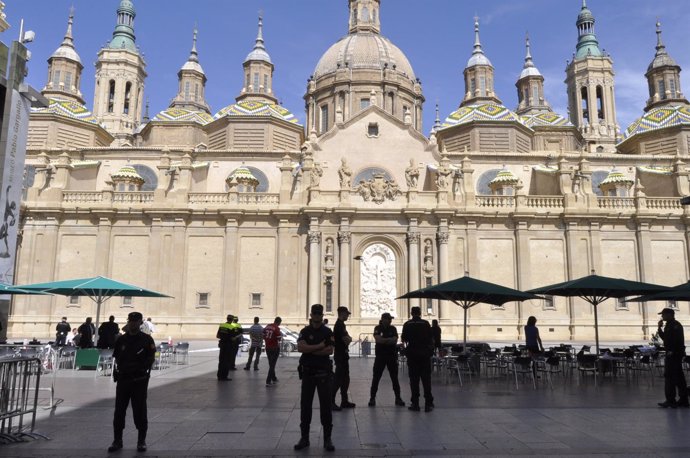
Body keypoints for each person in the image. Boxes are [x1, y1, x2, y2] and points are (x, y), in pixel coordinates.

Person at [108, 311, 156, 453]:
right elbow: (117, 357)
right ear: (128, 322)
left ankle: (141, 441)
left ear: (140, 323)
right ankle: (117, 440)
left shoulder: (147, 340)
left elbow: (151, 358)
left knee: (140, 411)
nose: (133, 323)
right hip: (123, 380)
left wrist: (139, 368)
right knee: (119, 411)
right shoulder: (122, 340)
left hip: (139, 380)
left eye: (136, 321)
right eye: (131, 321)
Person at [294, 304, 336, 452]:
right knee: (305, 407)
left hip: (323, 374)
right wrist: (319, 346)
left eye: (319, 313)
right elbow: (300, 348)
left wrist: (310, 350)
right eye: (315, 313)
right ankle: (304, 438)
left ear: (322, 315)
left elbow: (329, 350)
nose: (317, 316)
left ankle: (327, 438)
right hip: (308, 373)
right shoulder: (304, 331)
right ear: (311, 315)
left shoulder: (327, 331)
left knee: (325, 407)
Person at [368, 313, 405, 408]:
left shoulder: (393, 328)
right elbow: (378, 340)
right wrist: (389, 340)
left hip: (391, 356)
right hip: (380, 356)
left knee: (394, 378)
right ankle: (372, 398)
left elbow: (395, 340)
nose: (390, 320)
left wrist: (384, 340)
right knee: (376, 378)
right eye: (388, 319)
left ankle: (398, 398)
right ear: (383, 319)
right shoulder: (378, 328)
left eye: (390, 319)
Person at [401, 306, 434, 412]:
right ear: (420, 313)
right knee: (426, 380)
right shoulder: (425, 323)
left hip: (413, 354)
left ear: (411, 313)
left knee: (414, 380)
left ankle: (415, 403)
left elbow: (404, 339)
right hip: (424, 354)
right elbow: (430, 338)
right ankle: (428, 403)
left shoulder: (407, 324)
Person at [657, 308, 689, 408]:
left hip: (674, 355)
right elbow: (666, 339)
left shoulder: (675, 325)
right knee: (678, 377)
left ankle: (671, 400)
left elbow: (676, 341)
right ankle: (683, 400)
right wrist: (659, 328)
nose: (662, 316)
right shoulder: (669, 325)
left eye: (663, 314)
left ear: (669, 314)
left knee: (670, 377)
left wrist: (672, 352)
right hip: (674, 354)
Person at [332, 306, 355, 410]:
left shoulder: (342, 325)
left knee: (345, 379)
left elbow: (349, 338)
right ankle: (331, 401)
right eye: (347, 314)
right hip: (340, 355)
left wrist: (348, 338)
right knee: (338, 379)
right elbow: (347, 340)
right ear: (342, 313)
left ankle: (344, 401)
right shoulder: (339, 326)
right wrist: (348, 338)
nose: (348, 316)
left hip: (343, 355)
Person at [263, 317, 282, 386]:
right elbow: (279, 338)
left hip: (267, 347)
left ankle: (274, 378)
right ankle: (268, 381)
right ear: (279, 322)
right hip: (274, 347)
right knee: (272, 365)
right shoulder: (276, 328)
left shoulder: (267, 326)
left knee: (271, 363)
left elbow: (263, 334)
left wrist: (266, 339)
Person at [216, 314, 235, 381]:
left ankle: (219, 376)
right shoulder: (231, 327)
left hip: (222, 345)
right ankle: (224, 376)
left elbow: (217, 336)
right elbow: (232, 338)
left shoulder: (221, 325)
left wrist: (223, 337)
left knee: (221, 361)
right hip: (228, 346)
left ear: (227, 319)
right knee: (227, 361)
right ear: (232, 320)